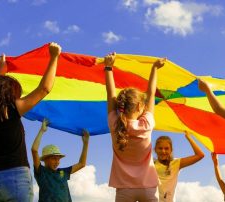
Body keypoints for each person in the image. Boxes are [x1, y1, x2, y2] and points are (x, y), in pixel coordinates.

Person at [0, 42, 61, 201]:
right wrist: (54, 57)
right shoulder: (12, 109)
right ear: (9, 94)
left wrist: (0, 69)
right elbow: (44, 89)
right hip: (15, 180)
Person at [104, 52, 165, 201]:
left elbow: (110, 94)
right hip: (147, 188)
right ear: (139, 106)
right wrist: (154, 68)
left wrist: (108, 67)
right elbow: (151, 94)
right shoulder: (146, 124)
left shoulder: (114, 124)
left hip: (124, 189)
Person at [31, 119, 90, 201]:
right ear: (45, 159)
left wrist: (86, 144)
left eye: (58, 159)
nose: (57, 162)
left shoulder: (63, 172)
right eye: (54, 159)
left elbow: (82, 164)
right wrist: (42, 131)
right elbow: (34, 150)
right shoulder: (41, 172)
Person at [154, 132, 205, 202]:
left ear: (171, 150)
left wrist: (189, 138)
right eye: (160, 148)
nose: (163, 151)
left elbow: (200, 155)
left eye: (166, 148)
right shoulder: (151, 163)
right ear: (155, 149)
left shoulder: (176, 163)